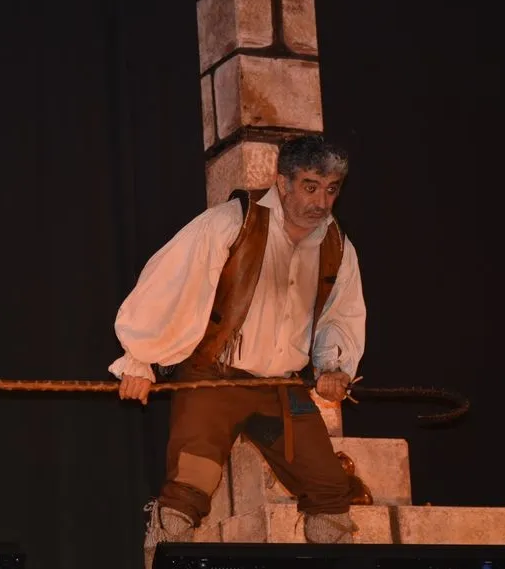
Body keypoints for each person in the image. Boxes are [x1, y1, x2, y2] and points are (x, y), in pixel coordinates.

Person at [108, 133, 366, 552]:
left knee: (330, 494)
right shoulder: (232, 222)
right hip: (214, 380)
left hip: (279, 388)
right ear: (283, 183)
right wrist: (139, 359)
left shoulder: (337, 245)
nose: (321, 201)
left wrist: (333, 368)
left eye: (331, 189)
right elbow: (169, 284)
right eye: (310, 186)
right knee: (186, 495)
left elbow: (339, 316)